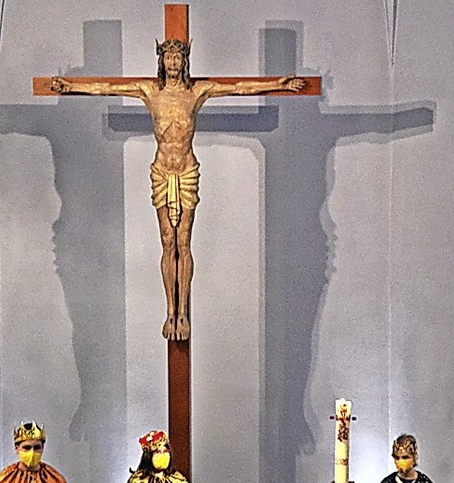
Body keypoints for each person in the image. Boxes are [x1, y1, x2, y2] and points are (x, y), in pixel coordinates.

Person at [51, 43, 305, 341]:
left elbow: (238, 88)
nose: (172, 61)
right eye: (168, 56)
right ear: (161, 61)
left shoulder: (196, 93)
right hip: (161, 171)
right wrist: (69, 87)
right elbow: (106, 87)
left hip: (186, 170)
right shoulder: (150, 92)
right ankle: (169, 312)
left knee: (183, 242)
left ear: (185, 61)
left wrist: (278, 84)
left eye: (178, 57)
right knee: (167, 242)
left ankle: (182, 312)